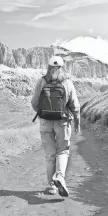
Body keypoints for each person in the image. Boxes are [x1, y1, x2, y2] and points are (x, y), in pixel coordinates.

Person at [31, 55, 80, 197]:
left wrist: (43, 114)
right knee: (63, 151)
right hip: (62, 122)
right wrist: (77, 121)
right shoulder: (67, 82)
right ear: (62, 67)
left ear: (48, 66)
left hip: (45, 123)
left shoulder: (42, 81)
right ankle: (60, 177)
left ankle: (52, 186)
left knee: (49, 155)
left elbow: (34, 103)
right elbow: (75, 105)